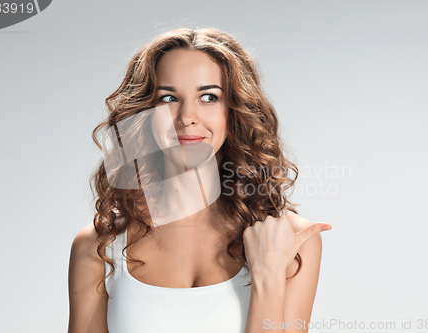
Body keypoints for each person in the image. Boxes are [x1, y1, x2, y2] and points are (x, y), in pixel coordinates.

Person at [67, 27, 332, 333]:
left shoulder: (292, 241)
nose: (187, 117)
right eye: (168, 98)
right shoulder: (99, 246)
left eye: (208, 97)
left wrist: (268, 275)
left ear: (234, 109)